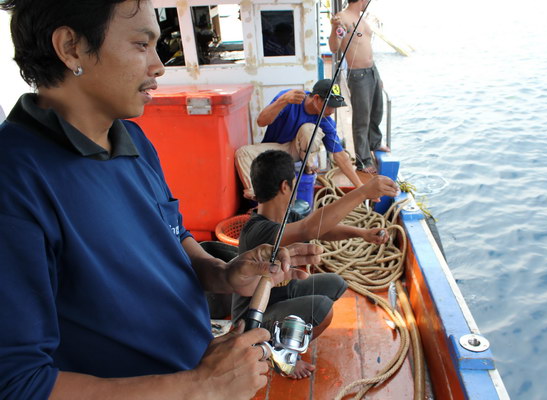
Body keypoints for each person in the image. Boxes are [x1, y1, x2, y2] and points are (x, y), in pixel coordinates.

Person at [0, 1, 322, 399]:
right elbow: (19, 383)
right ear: (71, 47)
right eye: (141, 44)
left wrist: (223, 273)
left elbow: (173, 235)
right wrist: (198, 387)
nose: (158, 66)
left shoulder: (131, 138)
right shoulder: (14, 179)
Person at [232, 150, 398, 379]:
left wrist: (362, 233)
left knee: (335, 284)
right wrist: (363, 192)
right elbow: (309, 228)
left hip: (275, 294)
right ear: (285, 187)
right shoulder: (258, 229)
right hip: (252, 317)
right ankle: (284, 356)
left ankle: (286, 337)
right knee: (322, 308)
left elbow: (320, 230)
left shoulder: (282, 217)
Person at [235, 78, 364, 200]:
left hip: (296, 154)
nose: (331, 111)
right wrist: (283, 100)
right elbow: (261, 122)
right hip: (274, 149)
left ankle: (308, 164)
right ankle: (257, 198)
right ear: (316, 98)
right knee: (242, 153)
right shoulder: (289, 98)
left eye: (334, 106)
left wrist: (361, 187)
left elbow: (340, 155)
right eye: (329, 105)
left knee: (310, 129)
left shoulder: (326, 120)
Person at [329, 0, 390, 174]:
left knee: (377, 110)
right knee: (361, 119)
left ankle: (375, 143)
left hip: (372, 71)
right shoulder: (343, 18)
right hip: (358, 74)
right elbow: (334, 47)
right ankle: (363, 160)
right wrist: (334, 29)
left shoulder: (361, 17)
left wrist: (377, 76)